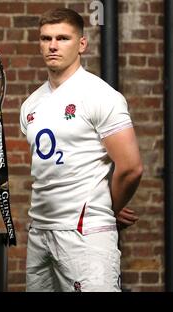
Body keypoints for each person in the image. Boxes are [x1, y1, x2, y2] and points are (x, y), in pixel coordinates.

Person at [20, 8, 143, 292]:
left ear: (82, 44)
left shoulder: (100, 96)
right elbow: (53, 169)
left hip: (85, 235)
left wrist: (106, 209)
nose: (53, 45)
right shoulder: (30, 105)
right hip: (39, 233)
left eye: (63, 38)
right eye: (46, 38)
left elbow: (131, 167)